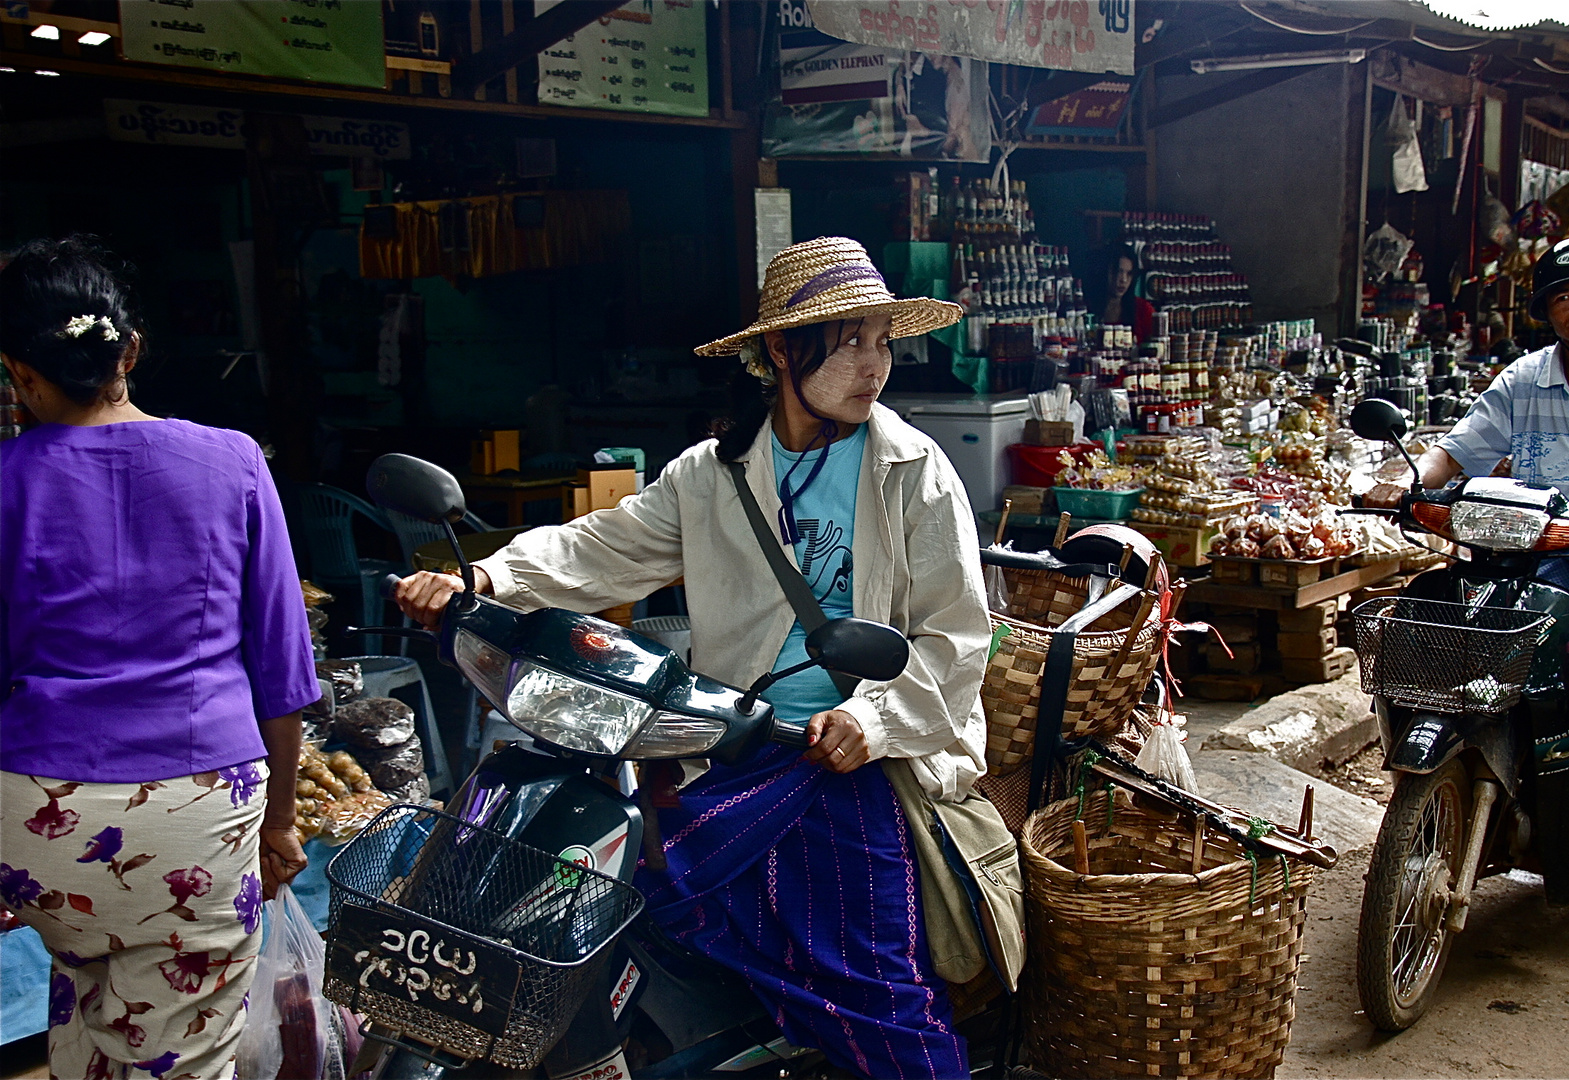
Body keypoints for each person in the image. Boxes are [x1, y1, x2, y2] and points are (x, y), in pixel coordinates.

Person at [392, 236, 989, 1078]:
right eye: (849, 339)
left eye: (882, 339)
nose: (874, 364)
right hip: (736, 740)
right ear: (781, 349)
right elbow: (605, 548)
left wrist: (870, 716)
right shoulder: (713, 475)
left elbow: (957, 637)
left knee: (873, 982)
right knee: (646, 893)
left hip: (857, 754)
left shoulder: (913, 469)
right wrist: (488, 576)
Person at [0, 237, 319, 1078]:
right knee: (180, 1049)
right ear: (129, 351)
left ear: (19, 373)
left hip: (34, 819)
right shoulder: (234, 462)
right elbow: (281, 678)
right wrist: (281, 822)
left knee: (83, 991)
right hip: (198, 814)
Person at [1367, 234, 1569, 818]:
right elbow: (1455, 452)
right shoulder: (1525, 379)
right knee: (1433, 609)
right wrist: (1406, 483)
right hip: (1525, 552)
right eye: (1563, 297)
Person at [1095, 243, 1156, 342]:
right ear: (1105, 271)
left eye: (1129, 274)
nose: (1123, 279)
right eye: (1118, 272)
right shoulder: (1089, 307)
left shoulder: (1143, 310)